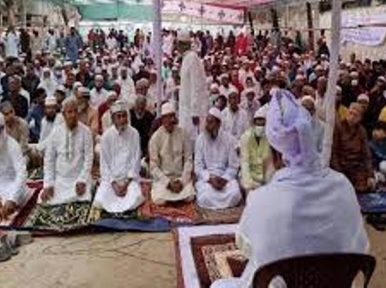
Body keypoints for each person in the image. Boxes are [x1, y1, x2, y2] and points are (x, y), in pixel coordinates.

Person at [211, 89, 368, 288]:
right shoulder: (343, 186)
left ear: (276, 154)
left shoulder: (263, 199)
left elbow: (247, 246)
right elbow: (360, 247)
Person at [94, 100, 145, 213]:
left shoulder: (134, 133)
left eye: (124, 116)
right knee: (100, 201)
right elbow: (104, 164)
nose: (122, 119)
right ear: (113, 119)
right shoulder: (106, 136)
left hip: (129, 179)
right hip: (111, 180)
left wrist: (126, 182)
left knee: (136, 198)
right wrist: (114, 183)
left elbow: (136, 161)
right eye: (119, 116)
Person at [41, 98, 94, 205]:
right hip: (60, 178)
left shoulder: (86, 131)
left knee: (84, 197)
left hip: (79, 177)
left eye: (75, 111)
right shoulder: (55, 132)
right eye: (70, 112)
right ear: (63, 114)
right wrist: (48, 183)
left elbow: (89, 158)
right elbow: (49, 160)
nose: (73, 115)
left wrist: (82, 180)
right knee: (48, 198)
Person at [194, 107, 242, 210]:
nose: (207, 125)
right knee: (205, 197)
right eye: (207, 122)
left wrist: (224, 179)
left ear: (218, 124)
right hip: (207, 179)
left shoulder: (229, 140)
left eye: (211, 122)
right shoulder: (200, 140)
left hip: (224, 177)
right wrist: (210, 179)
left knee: (234, 194)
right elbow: (198, 167)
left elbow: (233, 166)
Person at [149, 103, 195, 205]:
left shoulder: (183, 133)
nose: (171, 120)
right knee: (159, 200)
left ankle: (179, 193)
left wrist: (182, 181)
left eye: (172, 116)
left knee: (190, 197)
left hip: (180, 177)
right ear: (162, 119)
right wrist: (168, 182)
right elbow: (153, 166)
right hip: (164, 179)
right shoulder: (156, 138)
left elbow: (189, 159)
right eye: (168, 117)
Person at [331, 102, 375, 193]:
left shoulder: (362, 131)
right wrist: (340, 173)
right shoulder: (338, 127)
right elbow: (333, 153)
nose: (352, 117)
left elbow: (366, 154)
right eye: (350, 113)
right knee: (343, 189)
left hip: (356, 168)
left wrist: (370, 175)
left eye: (355, 115)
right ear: (347, 112)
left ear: (360, 118)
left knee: (367, 187)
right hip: (341, 167)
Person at [178, 31, 209, 144]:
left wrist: (195, 112)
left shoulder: (192, 58)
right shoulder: (186, 58)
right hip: (186, 108)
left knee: (193, 140)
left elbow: (196, 86)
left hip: (192, 112)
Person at [0, 113, 27, 220]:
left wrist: (12, 199)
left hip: (12, 185)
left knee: (18, 196)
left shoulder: (12, 145)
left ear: (3, 128)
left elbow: (21, 173)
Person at [239, 106, 273, 192]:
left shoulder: (269, 138)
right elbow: (245, 162)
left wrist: (267, 180)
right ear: (254, 123)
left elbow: (269, 163)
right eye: (258, 124)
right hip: (250, 174)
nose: (260, 127)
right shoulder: (245, 137)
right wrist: (249, 183)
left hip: (264, 175)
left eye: (262, 124)